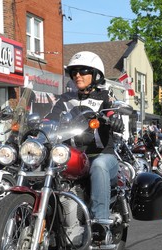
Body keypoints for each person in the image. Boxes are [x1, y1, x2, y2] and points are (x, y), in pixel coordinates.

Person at [46, 51, 124, 223]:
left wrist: (115, 118)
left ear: (96, 75)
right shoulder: (65, 99)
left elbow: (111, 111)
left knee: (99, 165)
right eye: (74, 72)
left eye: (83, 71)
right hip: (71, 156)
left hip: (102, 154)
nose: (78, 75)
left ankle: (100, 222)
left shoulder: (104, 97)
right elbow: (50, 117)